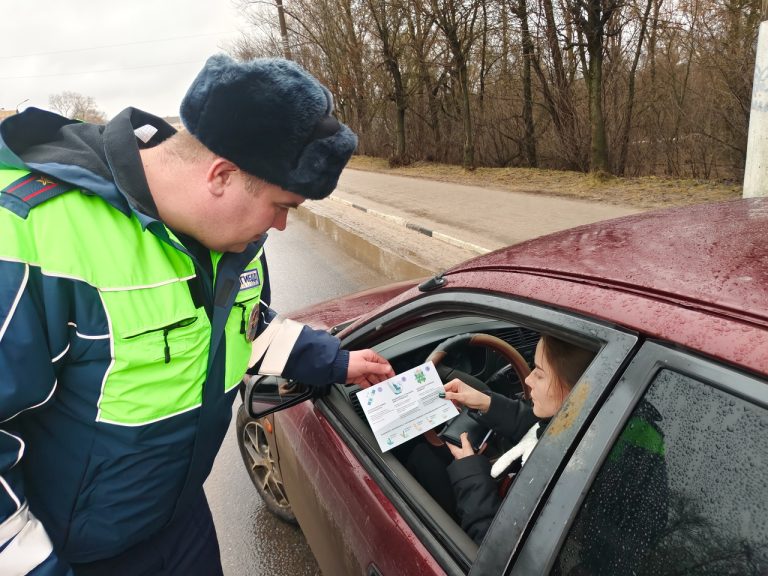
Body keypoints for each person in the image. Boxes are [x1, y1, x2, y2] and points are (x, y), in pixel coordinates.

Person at [0, 55, 394, 575]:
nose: (279, 226)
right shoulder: (33, 235)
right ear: (221, 176)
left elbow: (239, 323)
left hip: (180, 524)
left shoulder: (230, 240)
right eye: (282, 205)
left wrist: (336, 362)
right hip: (78, 555)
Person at [407, 334, 595, 544]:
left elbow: (492, 544)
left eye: (540, 374)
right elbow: (536, 425)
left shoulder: (561, 481)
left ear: (577, 391)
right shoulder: (581, 430)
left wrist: (469, 472)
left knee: (421, 458)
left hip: (485, 517)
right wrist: (486, 402)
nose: (528, 379)